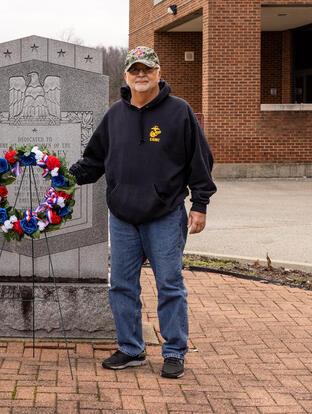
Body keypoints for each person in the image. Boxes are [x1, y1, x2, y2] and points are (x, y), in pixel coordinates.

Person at [70, 46, 216, 379]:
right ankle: (131, 348)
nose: (141, 75)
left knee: (169, 284)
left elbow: (200, 161)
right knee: (122, 285)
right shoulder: (115, 115)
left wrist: (200, 204)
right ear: (125, 75)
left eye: (147, 69)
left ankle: (175, 351)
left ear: (158, 73)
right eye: (134, 69)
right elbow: (93, 160)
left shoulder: (180, 113)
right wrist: (66, 176)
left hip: (165, 215)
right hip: (122, 218)